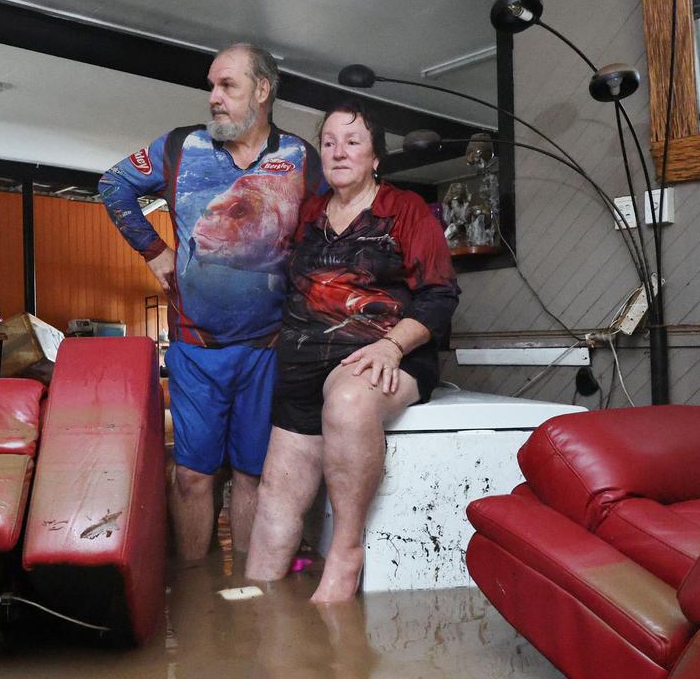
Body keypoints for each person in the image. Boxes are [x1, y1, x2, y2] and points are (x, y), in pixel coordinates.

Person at [99, 43, 322, 560]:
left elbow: (328, 230)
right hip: (195, 346)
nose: (213, 98)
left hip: (269, 348)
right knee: (194, 476)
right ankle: (197, 600)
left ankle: (244, 603)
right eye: (211, 86)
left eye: (227, 86)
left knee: (252, 476)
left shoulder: (301, 159)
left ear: (262, 91)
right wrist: (154, 250)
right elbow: (113, 185)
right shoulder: (179, 147)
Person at [245, 102, 459, 602]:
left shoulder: (405, 209)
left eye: (353, 141)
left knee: (346, 401)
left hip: (382, 355)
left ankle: (346, 551)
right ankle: (254, 609)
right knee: (276, 496)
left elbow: (441, 295)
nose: (339, 151)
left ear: (376, 156)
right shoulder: (310, 213)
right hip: (301, 361)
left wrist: (391, 345)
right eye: (329, 142)